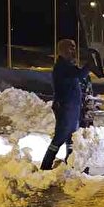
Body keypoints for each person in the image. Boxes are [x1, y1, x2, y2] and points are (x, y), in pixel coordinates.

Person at [40, 39, 94, 170]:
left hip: (71, 107)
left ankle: (71, 163)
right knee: (60, 137)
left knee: (71, 137)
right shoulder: (62, 66)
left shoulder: (68, 65)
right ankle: (46, 165)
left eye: (74, 47)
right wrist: (90, 65)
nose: (74, 51)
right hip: (65, 107)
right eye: (71, 48)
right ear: (63, 50)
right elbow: (80, 74)